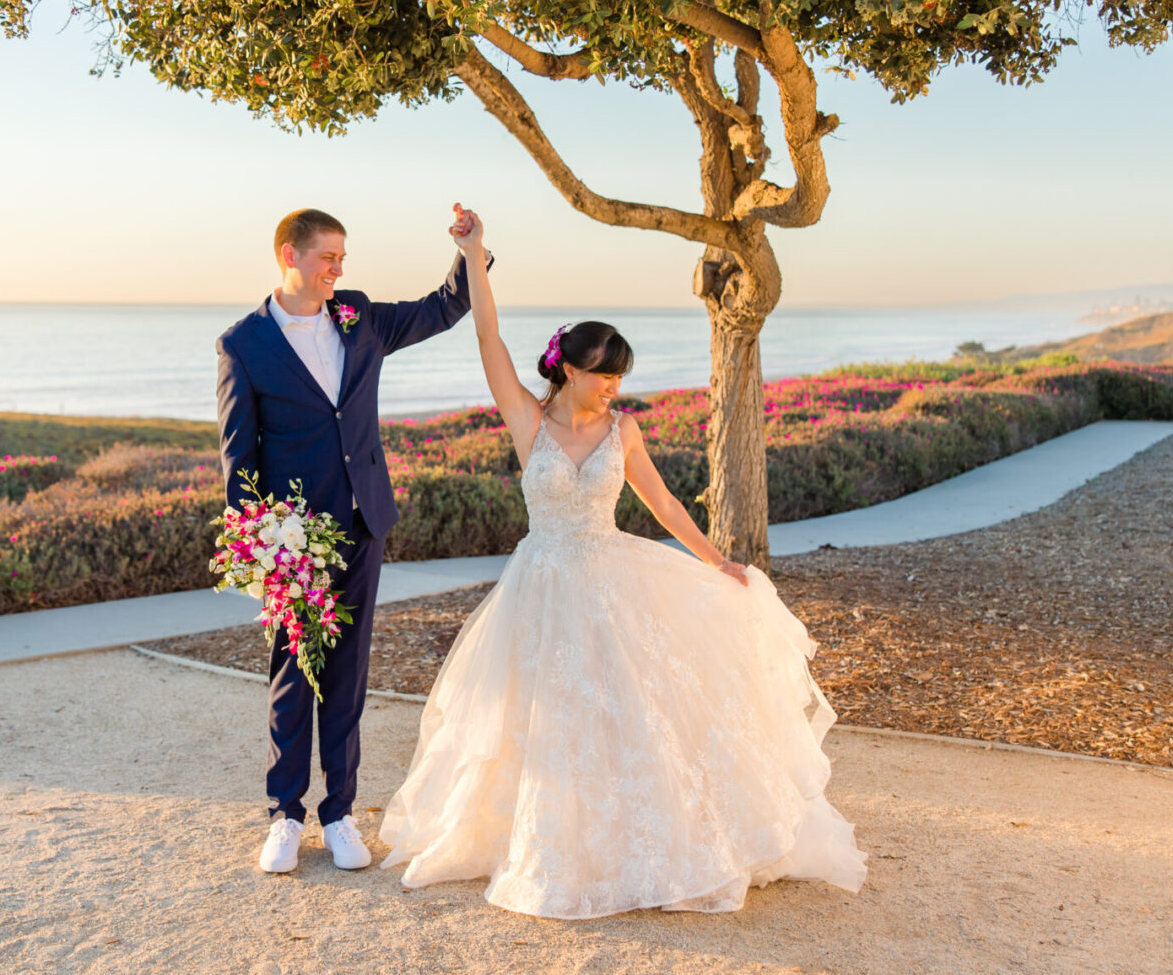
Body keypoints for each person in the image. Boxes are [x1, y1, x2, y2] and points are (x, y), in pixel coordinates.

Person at [376, 204, 868, 918]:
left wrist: (717, 562)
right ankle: (546, 841)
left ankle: (639, 841)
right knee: (543, 715)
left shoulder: (624, 430)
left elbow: (666, 506)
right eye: (603, 376)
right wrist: (475, 255)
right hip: (539, 587)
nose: (613, 386)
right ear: (569, 370)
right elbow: (487, 336)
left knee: (624, 712)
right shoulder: (526, 419)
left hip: (608, 582)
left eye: (619, 377)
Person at [214, 208, 494, 875]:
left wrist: (471, 248)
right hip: (294, 539)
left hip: (363, 522)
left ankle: (339, 814)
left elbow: (446, 306)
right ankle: (285, 815)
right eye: (327, 257)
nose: (338, 268)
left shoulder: (360, 316)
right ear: (290, 253)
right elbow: (238, 454)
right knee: (292, 673)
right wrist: (260, 540)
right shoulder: (242, 343)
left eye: (342, 256)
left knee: (347, 673)